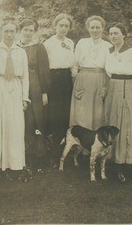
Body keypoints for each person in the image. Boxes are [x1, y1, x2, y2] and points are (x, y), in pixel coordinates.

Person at [0, 17, 30, 180]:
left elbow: (25, 77)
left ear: (16, 33)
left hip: (15, 88)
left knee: (15, 126)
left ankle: (15, 164)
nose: (9, 34)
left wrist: (25, 98)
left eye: (12, 31)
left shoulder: (21, 51)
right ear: (1, 32)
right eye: (6, 31)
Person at [105, 22, 132, 183]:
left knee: (126, 123)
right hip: (112, 87)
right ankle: (113, 159)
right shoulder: (109, 51)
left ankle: (125, 162)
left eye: (116, 33)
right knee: (113, 122)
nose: (113, 36)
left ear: (124, 34)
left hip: (127, 88)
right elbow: (108, 72)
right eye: (111, 33)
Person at [17, 18, 51, 170]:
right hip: (17, 86)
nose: (28, 33)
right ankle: (21, 156)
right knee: (20, 119)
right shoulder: (15, 46)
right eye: (26, 30)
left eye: (31, 30)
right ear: (21, 30)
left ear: (34, 31)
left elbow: (44, 71)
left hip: (35, 85)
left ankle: (38, 156)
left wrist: (44, 92)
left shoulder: (39, 47)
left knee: (35, 119)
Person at [70, 16, 111, 130]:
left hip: (100, 79)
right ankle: (79, 142)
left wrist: (105, 86)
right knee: (81, 112)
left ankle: (95, 144)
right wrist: (76, 81)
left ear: (102, 28)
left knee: (98, 112)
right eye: (92, 27)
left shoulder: (108, 46)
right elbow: (75, 64)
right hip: (83, 79)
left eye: (98, 27)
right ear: (88, 28)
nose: (95, 30)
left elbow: (109, 68)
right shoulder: (82, 43)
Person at [43, 13, 75, 166]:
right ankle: (54, 155)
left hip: (67, 80)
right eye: (60, 25)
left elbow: (73, 64)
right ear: (55, 26)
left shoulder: (70, 42)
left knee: (66, 115)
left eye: (66, 26)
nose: (63, 28)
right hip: (53, 80)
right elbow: (45, 67)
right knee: (55, 116)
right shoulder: (48, 43)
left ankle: (65, 153)